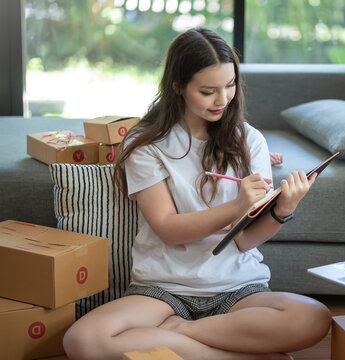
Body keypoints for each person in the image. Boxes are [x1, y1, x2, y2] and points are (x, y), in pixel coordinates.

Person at [62, 27, 331, 360]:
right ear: (177, 86)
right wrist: (236, 205)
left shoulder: (249, 141)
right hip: (163, 290)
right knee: (82, 341)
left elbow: (245, 241)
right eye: (207, 91)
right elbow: (168, 229)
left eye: (230, 86)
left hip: (237, 288)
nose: (222, 100)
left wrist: (284, 208)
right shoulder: (146, 144)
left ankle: (179, 335)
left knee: (313, 317)